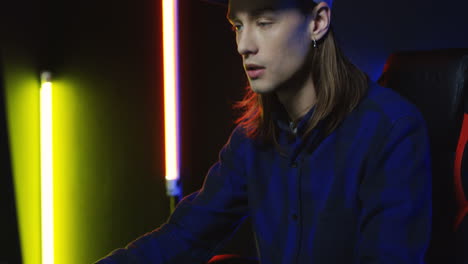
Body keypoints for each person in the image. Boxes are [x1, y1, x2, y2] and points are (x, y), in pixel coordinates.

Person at [97, 0, 432, 263]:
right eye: (237, 25)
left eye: (263, 22)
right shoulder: (250, 141)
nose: (244, 45)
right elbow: (183, 237)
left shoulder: (391, 129)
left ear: (317, 22)